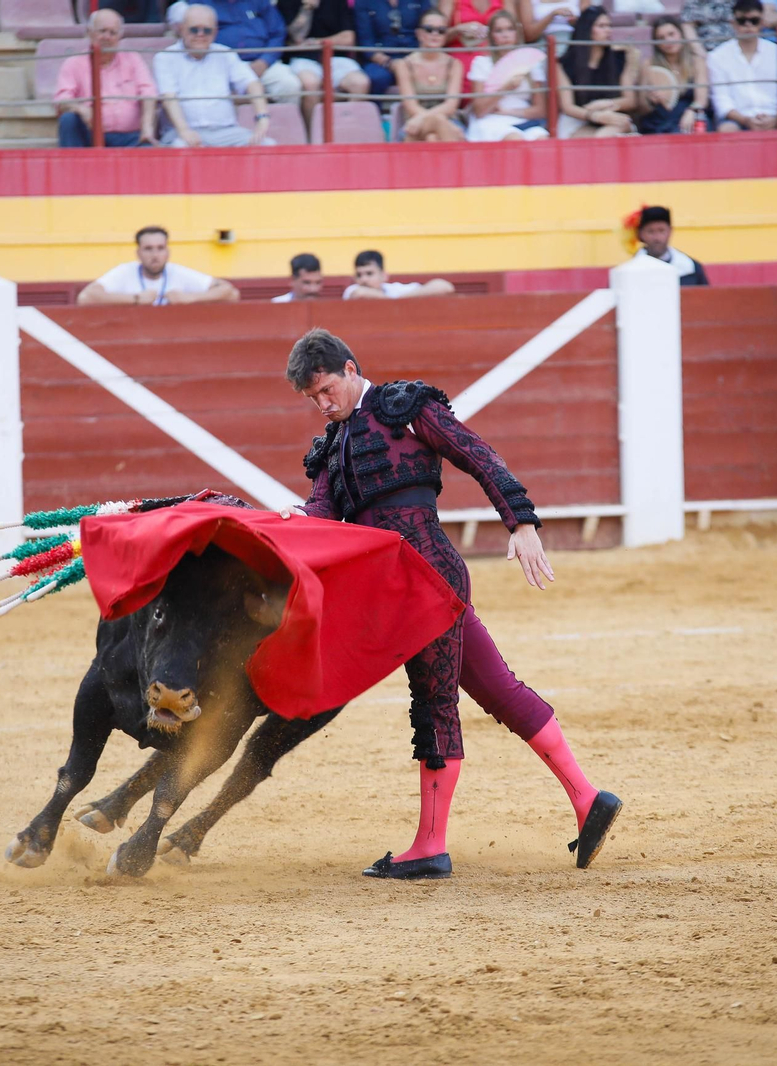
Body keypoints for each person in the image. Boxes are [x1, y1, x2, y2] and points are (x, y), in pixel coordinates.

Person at [282, 329, 623, 880]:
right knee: (497, 687)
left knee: (434, 702)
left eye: (325, 390)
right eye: (312, 399)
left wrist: (522, 520)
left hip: (428, 578)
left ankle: (430, 846)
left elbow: (476, 454)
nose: (322, 405)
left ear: (349, 369)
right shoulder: (331, 447)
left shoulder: (403, 408)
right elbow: (321, 517)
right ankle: (589, 799)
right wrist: (290, 519)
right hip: (389, 590)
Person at [154, 5, 275, 146]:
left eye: (207, 30)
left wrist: (262, 116)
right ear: (181, 29)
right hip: (180, 132)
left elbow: (251, 83)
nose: (200, 34)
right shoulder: (165, 57)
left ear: (215, 32)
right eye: (194, 29)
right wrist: (184, 130)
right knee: (180, 146)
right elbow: (169, 99)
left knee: (267, 144)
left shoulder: (226, 54)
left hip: (226, 131)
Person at [55, 9, 158, 147]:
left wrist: (147, 128)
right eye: (102, 31)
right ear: (89, 33)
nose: (107, 37)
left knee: (148, 149)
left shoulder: (133, 59)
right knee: (69, 119)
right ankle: (72, 168)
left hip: (129, 137)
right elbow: (62, 100)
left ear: (120, 37)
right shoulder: (74, 63)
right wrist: (80, 108)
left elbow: (149, 94)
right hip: (90, 135)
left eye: (112, 32)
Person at [77, 224, 241, 305]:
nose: (155, 255)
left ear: (167, 252)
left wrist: (189, 298)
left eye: (160, 248)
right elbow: (85, 298)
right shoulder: (125, 271)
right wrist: (135, 299)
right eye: (148, 249)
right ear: (138, 253)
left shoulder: (176, 272)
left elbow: (230, 293)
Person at [708, 0, 777, 129]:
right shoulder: (717, 56)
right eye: (742, 21)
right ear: (733, 23)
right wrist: (745, 120)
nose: (748, 25)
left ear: (762, 23)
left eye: (754, 21)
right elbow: (721, 100)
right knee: (727, 129)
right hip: (737, 119)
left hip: (776, 116)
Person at [466, 8, 550, 141]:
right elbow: (479, 110)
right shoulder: (482, 63)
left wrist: (508, 112)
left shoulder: (531, 62)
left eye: (510, 29)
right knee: (514, 138)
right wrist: (505, 88)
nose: (505, 35)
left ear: (517, 33)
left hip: (523, 119)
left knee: (542, 140)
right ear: (492, 36)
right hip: (491, 120)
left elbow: (540, 110)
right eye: (499, 31)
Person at [278, 0, 369, 122]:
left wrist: (315, 42)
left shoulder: (337, 2)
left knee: (360, 83)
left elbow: (348, 38)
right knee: (310, 84)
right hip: (303, 59)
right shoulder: (287, 2)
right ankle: (313, 135)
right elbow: (296, 38)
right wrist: (307, 8)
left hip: (335, 57)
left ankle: (348, 130)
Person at [556, 6, 638, 137]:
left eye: (609, 26)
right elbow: (567, 107)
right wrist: (595, 116)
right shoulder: (565, 63)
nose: (608, 30)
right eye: (601, 26)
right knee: (612, 134)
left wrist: (605, 104)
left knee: (621, 125)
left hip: (609, 117)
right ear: (587, 29)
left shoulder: (620, 57)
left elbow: (630, 100)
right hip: (578, 120)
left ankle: (598, 145)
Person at [393, 9, 465, 141]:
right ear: (419, 34)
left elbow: (451, 105)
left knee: (432, 138)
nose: (435, 34)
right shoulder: (404, 64)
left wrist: (429, 119)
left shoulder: (454, 64)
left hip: (447, 120)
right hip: (414, 122)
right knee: (434, 132)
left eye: (441, 30)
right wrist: (436, 120)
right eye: (429, 29)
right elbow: (410, 105)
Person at [208, 0, 300, 103]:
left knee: (289, 85)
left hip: (261, 62)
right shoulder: (203, 3)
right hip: (221, 66)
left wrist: (265, 61)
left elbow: (277, 33)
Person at [354, 0, 437, 97]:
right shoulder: (364, 2)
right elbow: (365, 41)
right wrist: (389, 63)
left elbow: (428, 31)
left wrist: (414, 60)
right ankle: (376, 111)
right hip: (380, 59)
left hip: (415, 56)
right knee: (377, 78)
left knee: (431, 72)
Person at [642, 14, 709, 133]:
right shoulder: (649, 64)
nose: (668, 41)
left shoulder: (697, 61)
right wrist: (650, 98)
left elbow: (701, 99)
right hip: (660, 119)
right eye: (661, 37)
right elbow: (642, 104)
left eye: (671, 34)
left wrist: (691, 111)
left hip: (691, 115)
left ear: (681, 34)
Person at [629, 205, 708, 285]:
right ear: (641, 234)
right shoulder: (630, 270)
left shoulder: (689, 268)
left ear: (670, 231)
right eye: (650, 231)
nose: (657, 238)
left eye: (661, 230)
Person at [343, 249, 454, 298]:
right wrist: (396, 302)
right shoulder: (352, 290)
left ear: (384, 276)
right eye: (359, 275)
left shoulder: (394, 290)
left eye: (369, 273)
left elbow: (445, 287)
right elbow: (360, 294)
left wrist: (400, 299)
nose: (364, 279)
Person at [440, 0, 508, 79]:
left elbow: (515, 30)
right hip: (460, 65)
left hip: (495, 61)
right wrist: (458, 29)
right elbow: (436, 35)